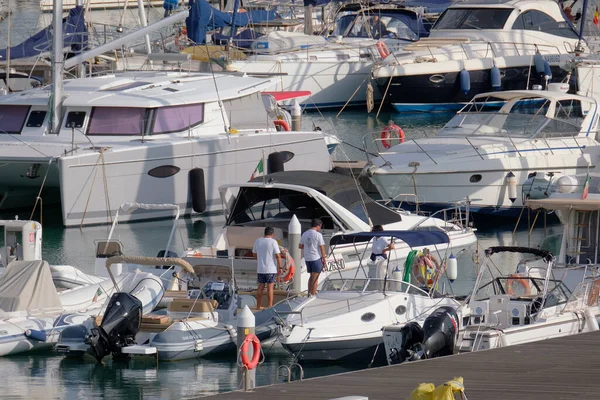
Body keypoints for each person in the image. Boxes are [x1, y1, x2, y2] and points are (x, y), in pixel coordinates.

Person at [252, 227, 283, 309]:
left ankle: (258, 305)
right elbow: (277, 255)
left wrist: (260, 259)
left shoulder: (258, 241)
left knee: (260, 287)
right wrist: (280, 267)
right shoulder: (273, 242)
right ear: (272, 234)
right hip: (271, 269)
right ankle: (270, 305)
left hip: (260, 269)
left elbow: (254, 254)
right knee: (270, 288)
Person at [299, 218, 326, 296]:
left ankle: (309, 293)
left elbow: (300, 246)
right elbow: (322, 249)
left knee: (311, 277)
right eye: (320, 226)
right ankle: (312, 295)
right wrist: (324, 260)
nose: (320, 228)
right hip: (315, 258)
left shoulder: (304, 234)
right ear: (318, 225)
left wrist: (308, 246)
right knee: (315, 278)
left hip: (307, 258)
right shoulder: (318, 235)